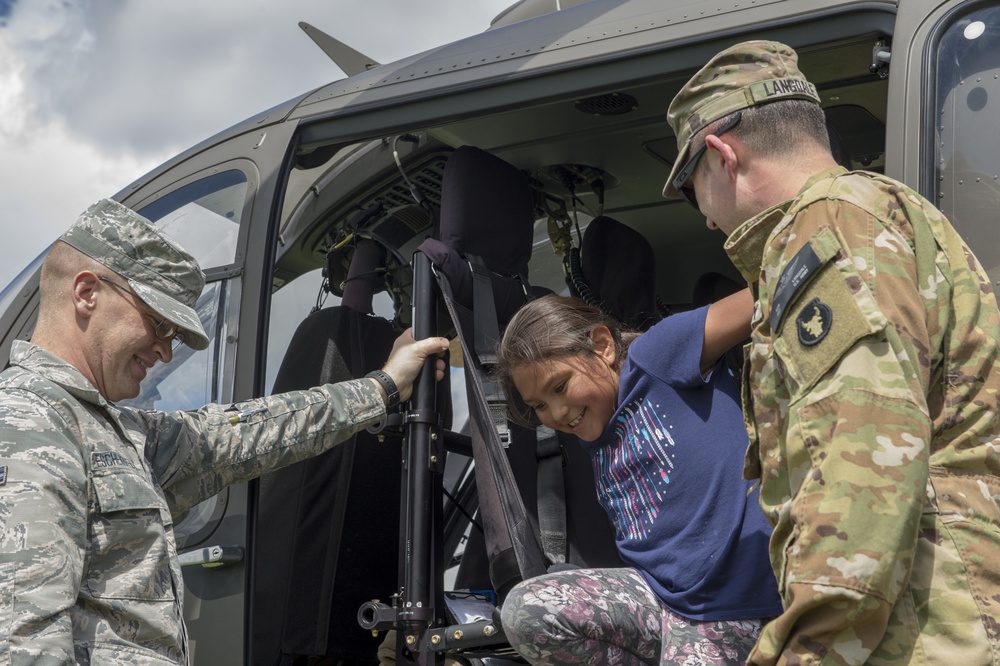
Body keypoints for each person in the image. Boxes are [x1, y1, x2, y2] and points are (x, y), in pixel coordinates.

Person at [663, 40, 1000, 664]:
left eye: (693, 192)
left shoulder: (824, 230)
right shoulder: (885, 212)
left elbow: (865, 462)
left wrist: (808, 650)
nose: (708, 220)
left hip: (920, 629)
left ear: (721, 153)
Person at [0, 199, 450, 665]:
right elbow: (23, 643)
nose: (165, 353)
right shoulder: (26, 424)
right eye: (158, 325)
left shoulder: (109, 430)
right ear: (87, 292)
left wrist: (383, 386)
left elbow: (250, 432)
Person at [494, 291, 783, 666]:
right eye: (540, 406)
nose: (558, 413)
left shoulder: (657, 356)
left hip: (736, 603)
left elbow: (772, 284)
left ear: (602, 346)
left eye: (560, 386)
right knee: (526, 610)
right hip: (664, 606)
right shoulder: (595, 436)